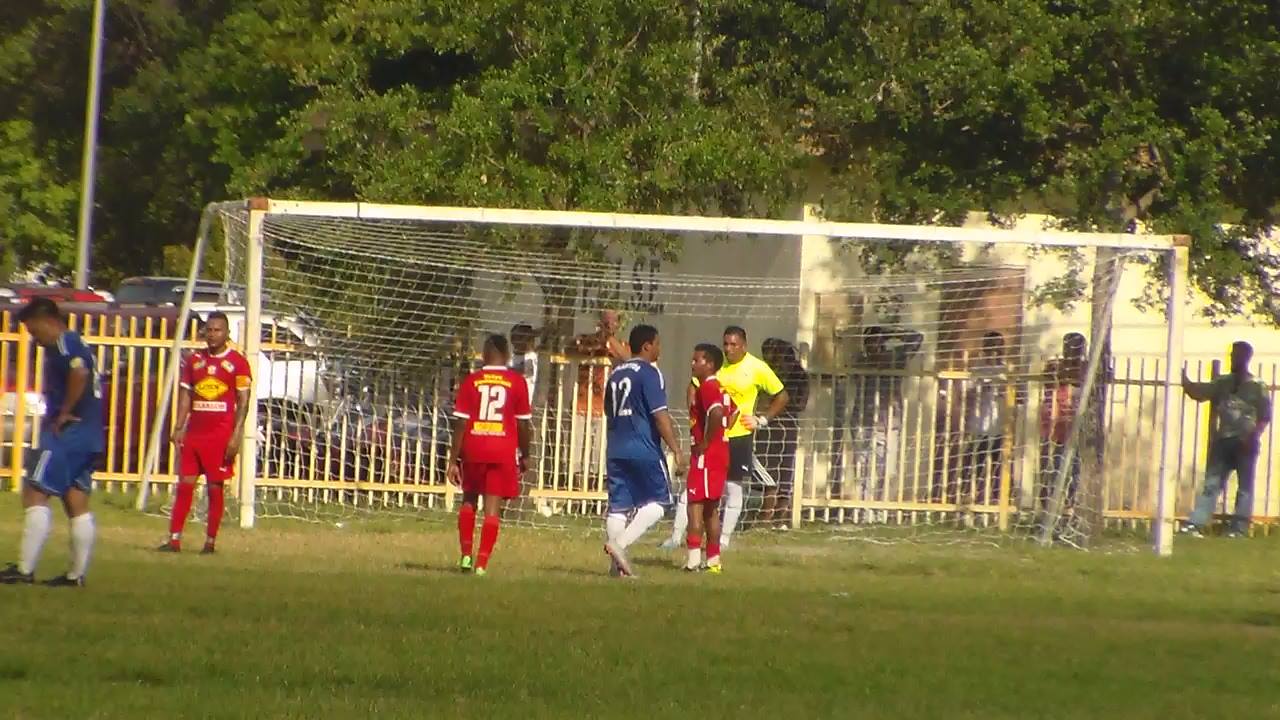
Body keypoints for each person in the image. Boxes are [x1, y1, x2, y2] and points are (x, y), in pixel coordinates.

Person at [0, 298, 102, 587]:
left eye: (34, 331)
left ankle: (23, 570)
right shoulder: (74, 344)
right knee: (75, 500)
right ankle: (75, 575)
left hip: (69, 433)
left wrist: (66, 411)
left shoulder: (65, 345)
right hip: (90, 434)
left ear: (49, 322)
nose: (34, 339)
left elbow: (79, 372)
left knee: (34, 492)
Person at [159, 311, 253, 554]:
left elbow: (244, 400)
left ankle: (210, 542)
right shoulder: (193, 360)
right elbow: (186, 396)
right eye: (209, 330)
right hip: (194, 435)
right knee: (185, 485)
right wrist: (179, 426)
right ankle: (174, 539)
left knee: (215, 487)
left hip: (220, 436)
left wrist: (236, 434)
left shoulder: (238, 362)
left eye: (217, 330)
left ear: (227, 333)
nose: (212, 334)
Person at [446, 334, 534, 575]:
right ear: (506, 356)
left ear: (484, 355)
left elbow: (461, 424)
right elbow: (523, 424)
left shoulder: (472, 381)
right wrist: (525, 454)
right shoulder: (517, 382)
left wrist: (453, 460)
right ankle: (482, 564)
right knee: (492, 508)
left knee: (469, 500)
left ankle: (465, 556)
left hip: (474, 447)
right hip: (502, 449)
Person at [602, 325, 684, 578]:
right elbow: (659, 415)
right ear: (648, 346)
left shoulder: (615, 374)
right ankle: (620, 544)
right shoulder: (650, 373)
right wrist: (676, 449)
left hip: (616, 447)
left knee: (618, 507)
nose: (660, 349)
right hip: (643, 448)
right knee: (661, 502)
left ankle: (617, 569)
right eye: (658, 344)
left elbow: (609, 411)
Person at [1179, 341, 1272, 537]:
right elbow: (1199, 393)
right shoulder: (1223, 383)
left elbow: (1265, 416)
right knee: (1212, 484)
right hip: (1224, 441)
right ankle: (1195, 524)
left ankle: (1238, 528)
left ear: (1246, 358)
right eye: (1232, 355)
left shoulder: (1257, 386)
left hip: (1246, 442)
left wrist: (1252, 436)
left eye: (1237, 356)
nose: (1233, 359)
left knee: (1244, 487)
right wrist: (1182, 378)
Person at [716, 326, 788, 547]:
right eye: (726, 344)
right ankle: (679, 536)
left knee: (733, 487)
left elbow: (782, 396)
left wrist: (762, 420)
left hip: (739, 436)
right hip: (713, 434)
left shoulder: (757, 367)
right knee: (700, 487)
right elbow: (695, 387)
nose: (728, 349)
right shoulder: (716, 364)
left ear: (744, 346)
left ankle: (724, 539)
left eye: (733, 344)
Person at [681, 344, 736, 572]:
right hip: (720, 454)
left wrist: (705, 441)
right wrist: (720, 436)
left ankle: (693, 561)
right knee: (711, 509)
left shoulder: (708, 387)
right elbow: (732, 414)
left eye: (697, 360)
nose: (692, 364)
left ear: (710, 364)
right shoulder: (720, 388)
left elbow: (716, 412)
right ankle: (713, 560)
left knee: (694, 506)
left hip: (706, 456)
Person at [568, 309, 629, 481]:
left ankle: (596, 494)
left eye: (613, 321)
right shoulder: (587, 339)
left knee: (599, 456)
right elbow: (571, 350)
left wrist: (608, 339)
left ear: (618, 324)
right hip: (582, 404)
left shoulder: (620, 344)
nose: (609, 324)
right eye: (606, 321)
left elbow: (627, 358)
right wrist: (594, 343)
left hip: (604, 408)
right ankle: (577, 491)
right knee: (576, 454)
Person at [758, 338, 809, 528]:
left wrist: (779, 406)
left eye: (772, 353)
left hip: (786, 425)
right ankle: (767, 514)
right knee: (767, 471)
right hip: (768, 426)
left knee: (784, 470)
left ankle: (780, 515)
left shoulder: (798, 375)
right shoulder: (764, 372)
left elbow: (800, 402)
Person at [961, 332, 1008, 503]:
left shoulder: (1006, 369)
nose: (994, 353)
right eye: (991, 348)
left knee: (997, 466)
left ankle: (994, 501)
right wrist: (980, 387)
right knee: (973, 465)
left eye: (998, 348)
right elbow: (965, 392)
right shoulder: (977, 369)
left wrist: (1005, 391)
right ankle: (969, 499)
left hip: (1000, 427)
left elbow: (1018, 397)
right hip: (979, 426)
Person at [509, 322, 540, 399]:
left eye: (528, 338)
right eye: (519, 337)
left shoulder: (533, 356)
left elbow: (525, 372)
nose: (524, 341)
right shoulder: (509, 358)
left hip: (528, 399)